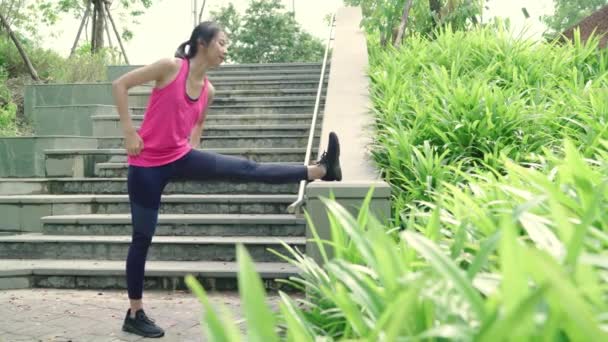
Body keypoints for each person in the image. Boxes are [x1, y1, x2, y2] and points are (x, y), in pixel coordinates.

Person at [111, 21, 341, 338]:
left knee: (247, 168)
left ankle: (320, 170)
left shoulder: (209, 90)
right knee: (143, 237)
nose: (226, 49)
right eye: (222, 42)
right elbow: (120, 84)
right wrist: (128, 132)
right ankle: (134, 313)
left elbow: (197, 126)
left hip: (180, 158)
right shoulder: (169, 67)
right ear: (202, 43)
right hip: (146, 165)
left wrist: (193, 153)